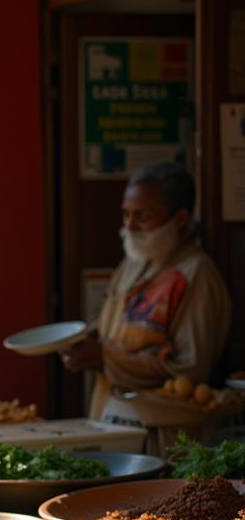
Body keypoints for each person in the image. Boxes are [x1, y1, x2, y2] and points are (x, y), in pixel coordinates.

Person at [60, 162, 232, 421]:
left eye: (143, 217)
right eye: (126, 215)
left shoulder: (196, 274)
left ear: (180, 219)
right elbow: (114, 327)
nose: (130, 226)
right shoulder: (133, 263)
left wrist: (105, 356)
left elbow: (189, 370)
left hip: (160, 428)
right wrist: (83, 343)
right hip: (110, 415)